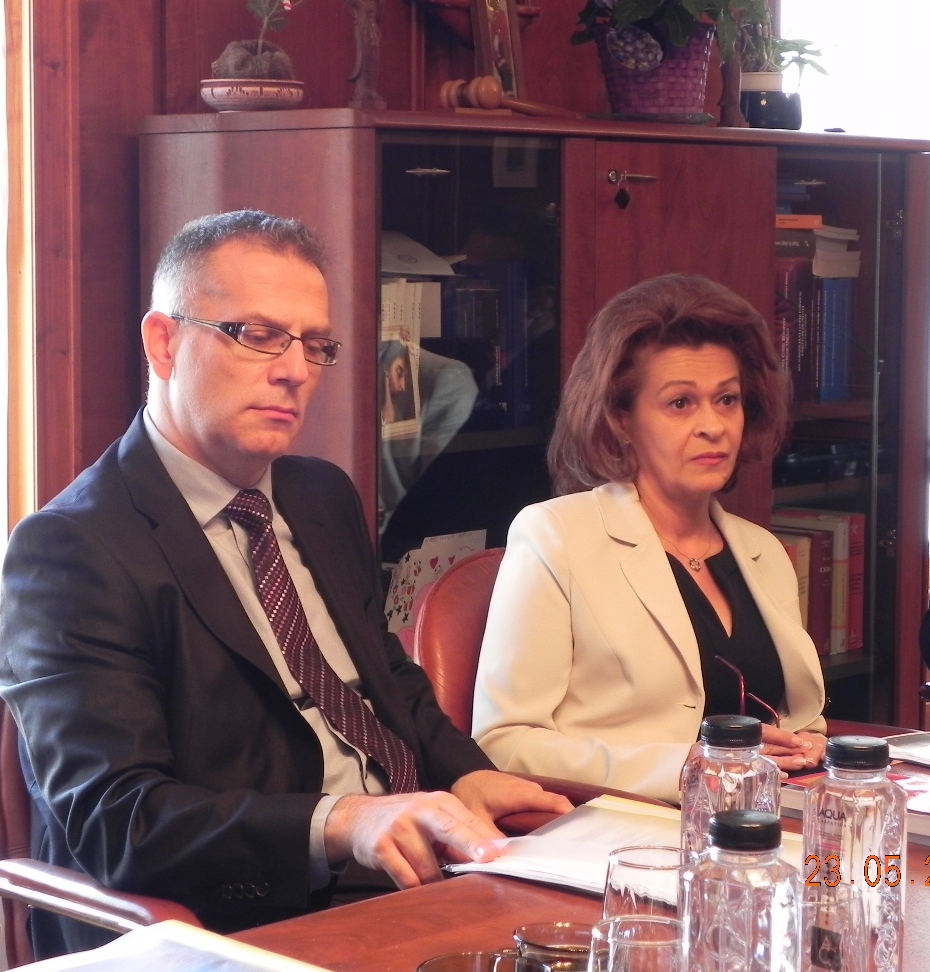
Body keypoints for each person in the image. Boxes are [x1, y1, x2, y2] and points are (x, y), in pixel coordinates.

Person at [0, 210, 570, 958]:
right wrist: (341, 822)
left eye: (315, 344)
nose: (296, 370)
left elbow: (388, 683)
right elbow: (118, 821)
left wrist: (466, 777)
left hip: (425, 873)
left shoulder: (319, 494)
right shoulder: (72, 549)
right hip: (246, 915)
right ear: (163, 342)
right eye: (259, 335)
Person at [472, 274, 828, 806]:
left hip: (768, 818)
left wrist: (808, 743)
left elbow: (799, 718)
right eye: (681, 403)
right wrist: (684, 767)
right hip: (630, 827)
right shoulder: (556, 536)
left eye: (727, 400)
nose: (714, 426)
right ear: (621, 419)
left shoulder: (764, 553)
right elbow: (503, 744)